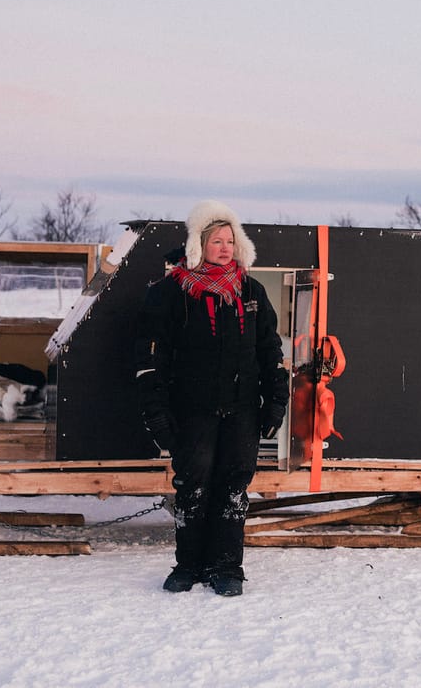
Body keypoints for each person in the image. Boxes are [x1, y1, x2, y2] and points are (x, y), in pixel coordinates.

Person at [134, 200, 288, 597]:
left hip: (241, 411)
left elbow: (270, 351)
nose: (224, 248)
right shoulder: (170, 294)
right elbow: (151, 359)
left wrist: (275, 401)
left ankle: (226, 567)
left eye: (230, 241)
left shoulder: (250, 292)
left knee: (234, 487)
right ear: (198, 244)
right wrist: (158, 415)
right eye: (216, 241)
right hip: (191, 410)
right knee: (193, 486)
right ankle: (188, 565)